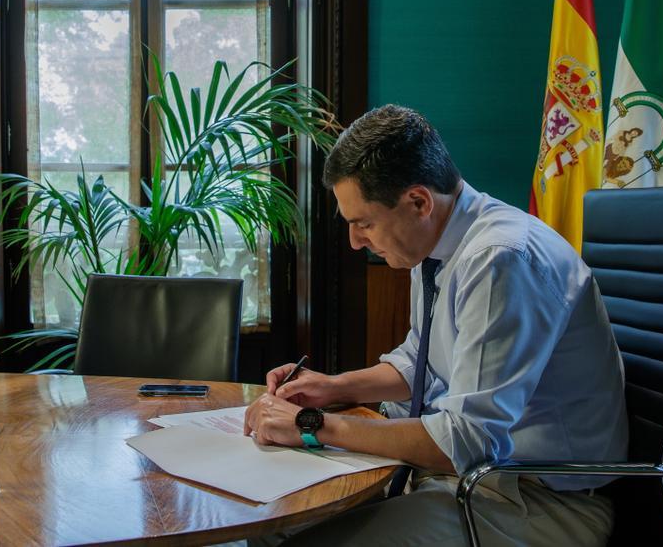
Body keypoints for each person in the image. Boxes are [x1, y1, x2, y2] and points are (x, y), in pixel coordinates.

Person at [244, 105, 629, 546]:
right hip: (467, 479)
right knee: (272, 518)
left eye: (364, 223)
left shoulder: (499, 259)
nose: (354, 242)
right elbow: (422, 362)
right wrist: (334, 388)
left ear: (418, 201)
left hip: (534, 500)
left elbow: (466, 441)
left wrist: (312, 423)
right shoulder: (433, 243)